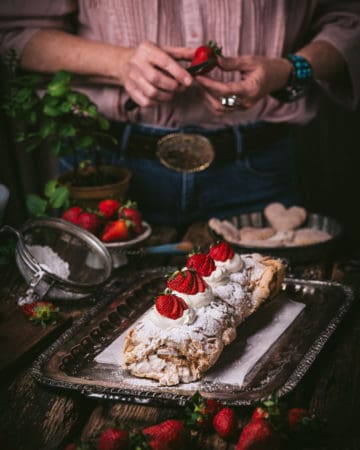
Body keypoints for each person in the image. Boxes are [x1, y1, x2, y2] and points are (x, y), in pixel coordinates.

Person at [0, 1, 359, 228]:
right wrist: (119, 64)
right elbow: (14, 29)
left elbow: (348, 19)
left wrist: (290, 68)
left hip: (258, 170)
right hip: (106, 171)